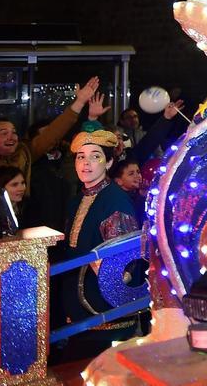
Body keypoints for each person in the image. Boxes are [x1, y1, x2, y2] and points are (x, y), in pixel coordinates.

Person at [0, 76, 103, 217]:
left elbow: (52, 134)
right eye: (4, 133)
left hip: (19, 222)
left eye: (14, 132)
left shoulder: (24, 153)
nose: (11, 137)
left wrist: (80, 102)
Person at [57, 129, 140, 354]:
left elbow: (124, 267)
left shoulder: (114, 201)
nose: (86, 163)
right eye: (81, 156)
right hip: (76, 302)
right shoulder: (77, 199)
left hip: (102, 309)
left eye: (95, 156)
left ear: (109, 162)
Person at [108, 159, 145, 224]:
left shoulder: (136, 194)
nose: (138, 176)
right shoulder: (117, 200)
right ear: (118, 181)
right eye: (131, 174)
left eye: (138, 172)